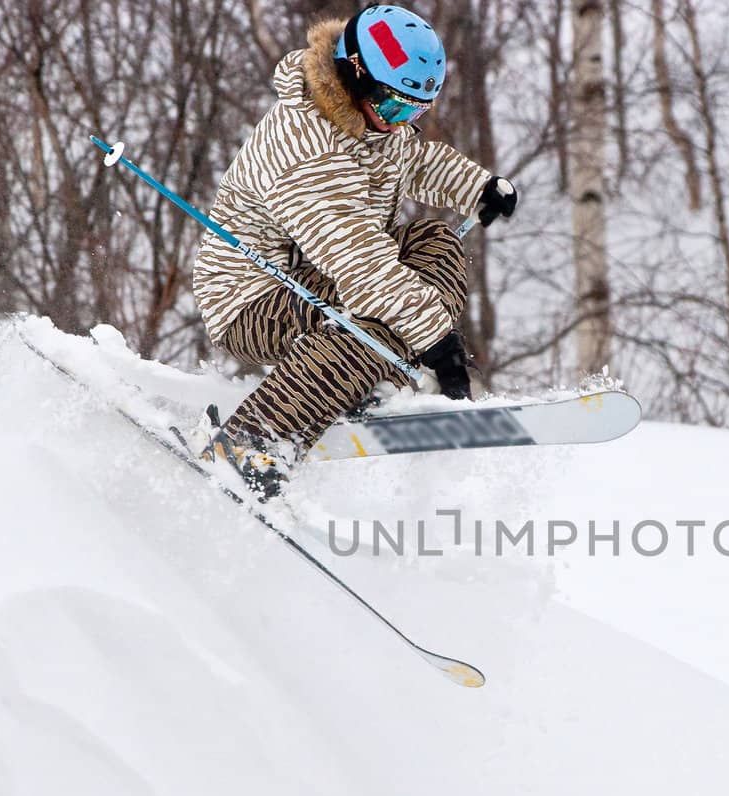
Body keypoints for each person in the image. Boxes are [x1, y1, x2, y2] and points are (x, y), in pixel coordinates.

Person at [191, 3, 518, 498]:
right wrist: (437, 343)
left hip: (319, 277)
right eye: (392, 107)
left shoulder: (368, 118)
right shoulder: (305, 150)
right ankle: (252, 441)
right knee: (375, 326)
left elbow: (410, 158)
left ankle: (367, 376)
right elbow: (362, 268)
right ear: (354, 74)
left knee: (437, 242)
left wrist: (478, 186)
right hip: (251, 298)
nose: (398, 122)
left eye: (414, 111)